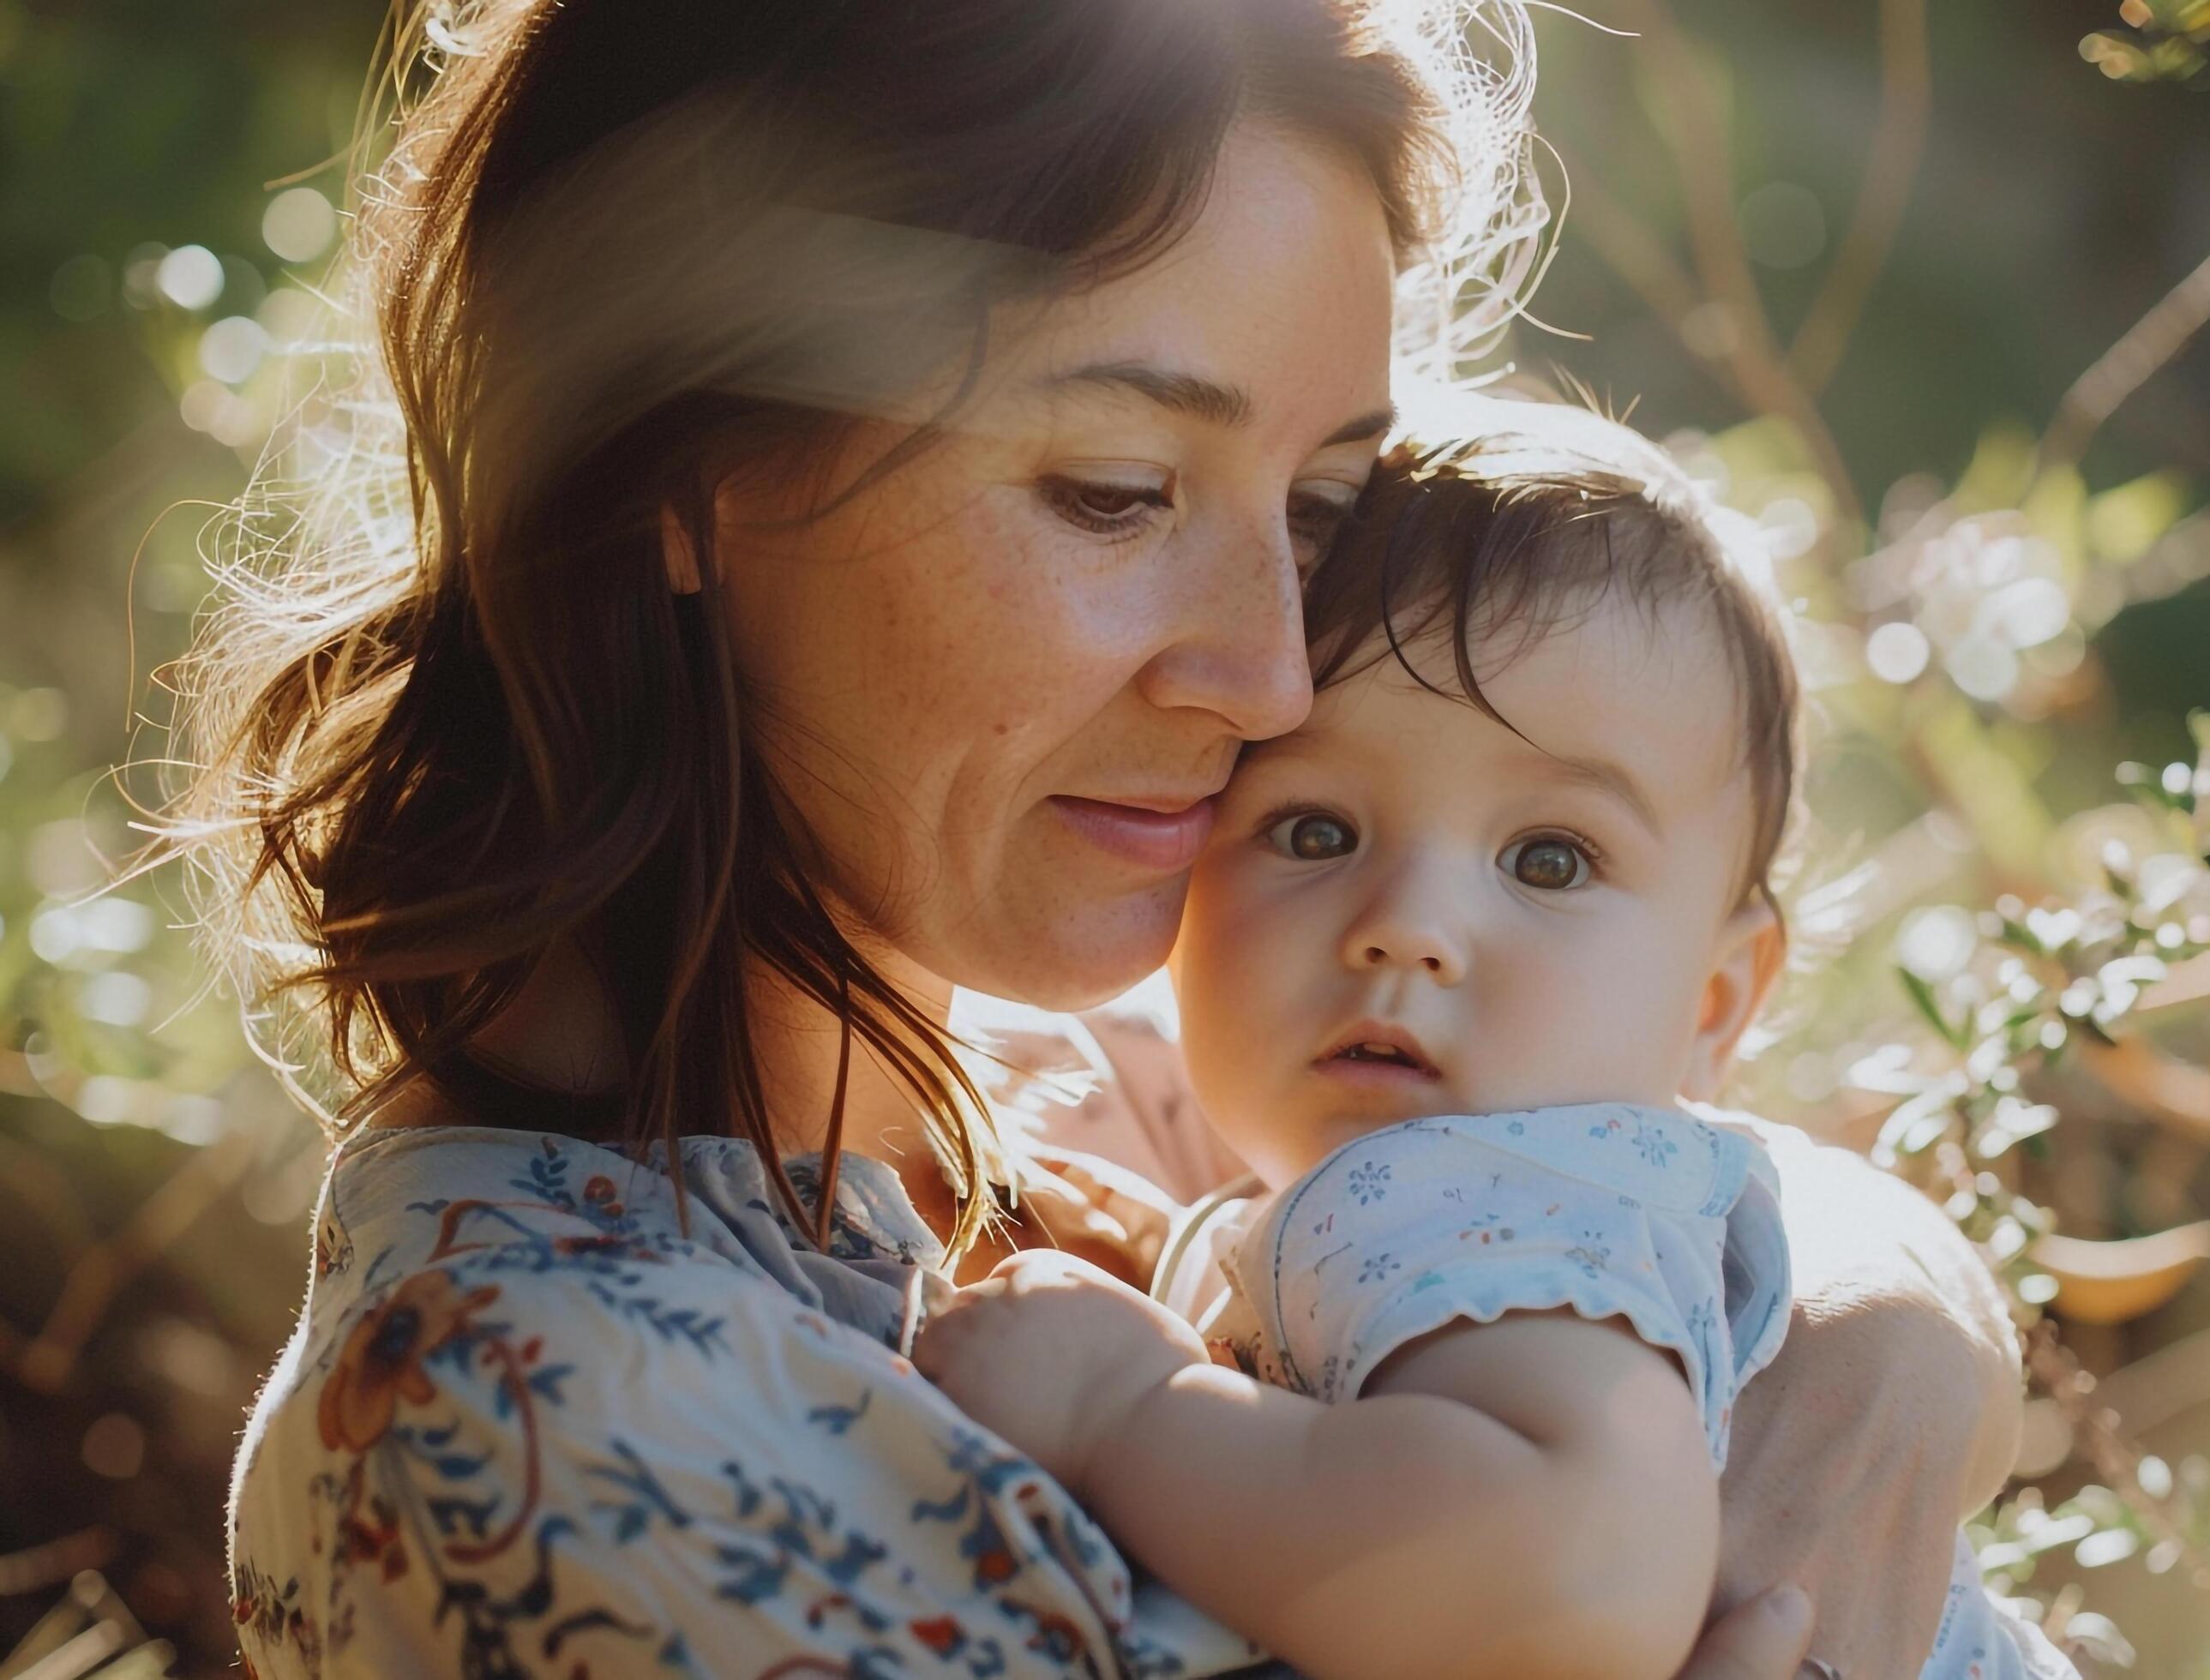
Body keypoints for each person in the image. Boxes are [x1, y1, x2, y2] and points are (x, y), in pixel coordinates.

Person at [173, 2, 2022, 1674]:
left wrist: (1886, 1339)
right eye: (1117, 492)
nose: (1274, 671)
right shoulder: (544, 1427)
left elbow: (1647, 1163)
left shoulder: (1092, 1062)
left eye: (1318, 509)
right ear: (682, 467)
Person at [916, 400, 2075, 1680]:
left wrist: (1125, 1410)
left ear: (1714, 1002)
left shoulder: (1457, 1190)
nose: (1408, 929)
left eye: (1549, 857)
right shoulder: (1396, 1200)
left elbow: (1580, 1572)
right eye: (1313, 830)